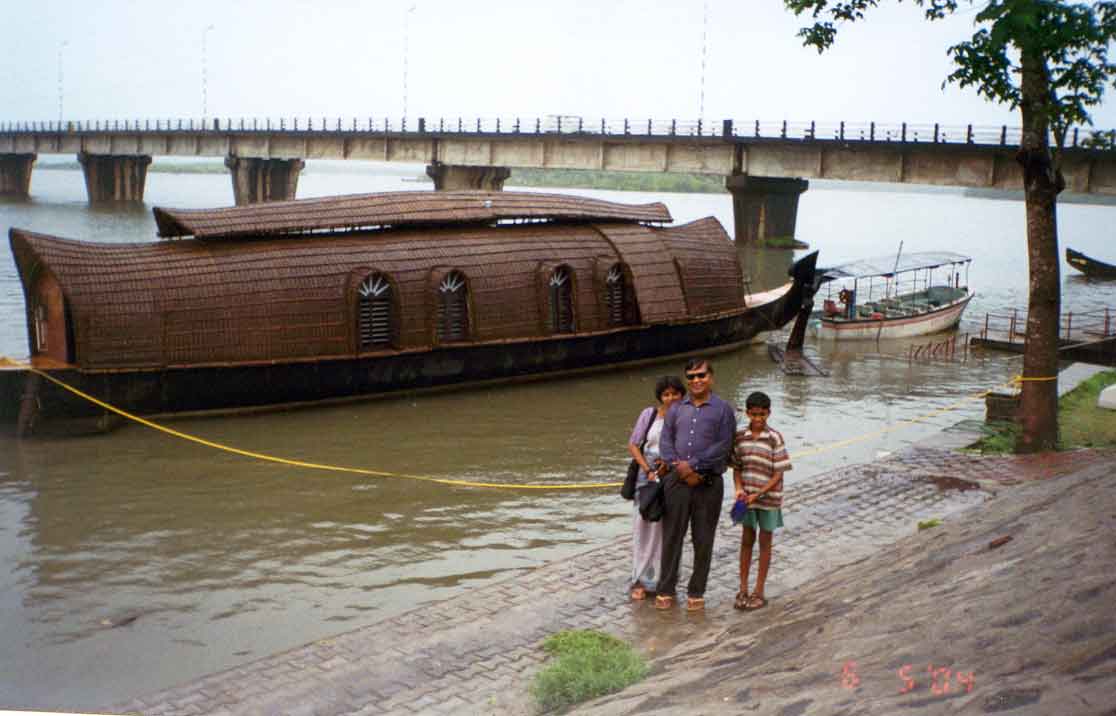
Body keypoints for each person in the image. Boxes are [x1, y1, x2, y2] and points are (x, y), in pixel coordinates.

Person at [654, 357, 737, 612]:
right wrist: (679, 466)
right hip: (676, 481)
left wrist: (695, 467)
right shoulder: (677, 409)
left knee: (703, 539)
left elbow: (724, 445)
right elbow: (666, 442)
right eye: (691, 377)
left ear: (710, 377)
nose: (696, 381)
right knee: (671, 537)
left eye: (701, 375)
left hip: (707, 482)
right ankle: (666, 588)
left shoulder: (723, 410)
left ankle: (696, 590)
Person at [626, 375, 686, 600]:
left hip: (672, 476)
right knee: (643, 526)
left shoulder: (686, 417)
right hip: (646, 477)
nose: (670, 398)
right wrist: (648, 469)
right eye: (666, 394)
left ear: (682, 395)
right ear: (660, 396)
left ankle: (665, 579)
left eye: (675, 393)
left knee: (668, 529)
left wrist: (668, 465)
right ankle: (640, 579)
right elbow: (633, 444)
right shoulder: (649, 414)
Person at [731, 391, 792, 611]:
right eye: (754, 414)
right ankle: (743, 589)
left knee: (765, 544)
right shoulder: (739, 437)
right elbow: (737, 467)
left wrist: (759, 493)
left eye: (762, 414)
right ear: (747, 413)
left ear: (769, 413)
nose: (758, 419)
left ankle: (759, 591)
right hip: (747, 499)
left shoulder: (775, 438)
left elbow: (778, 473)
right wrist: (739, 489)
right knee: (746, 541)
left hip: (769, 500)